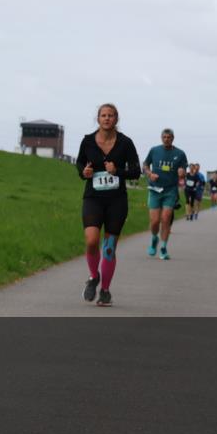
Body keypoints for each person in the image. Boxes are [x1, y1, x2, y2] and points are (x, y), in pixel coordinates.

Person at [76, 103, 141, 307]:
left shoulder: (125, 143)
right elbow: (79, 164)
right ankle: (93, 277)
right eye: (103, 115)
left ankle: (105, 290)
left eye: (111, 115)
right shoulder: (87, 141)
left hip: (117, 201)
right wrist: (83, 172)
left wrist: (117, 171)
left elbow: (136, 172)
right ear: (98, 118)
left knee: (110, 249)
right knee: (92, 240)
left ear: (116, 119)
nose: (107, 118)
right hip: (93, 198)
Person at [143, 128, 188, 260]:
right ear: (161, 138)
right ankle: (154, 239)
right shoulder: (154, 150)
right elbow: (145, 165)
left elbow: (184, 170)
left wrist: (182, 172)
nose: (166, 139)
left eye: (169, 137)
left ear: (173, 138)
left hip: (170, 190)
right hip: (155, 189)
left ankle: (163, 247)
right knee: (155, 221)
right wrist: (150, 173)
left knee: (166, 218)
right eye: (164, 137)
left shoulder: (180, 153)